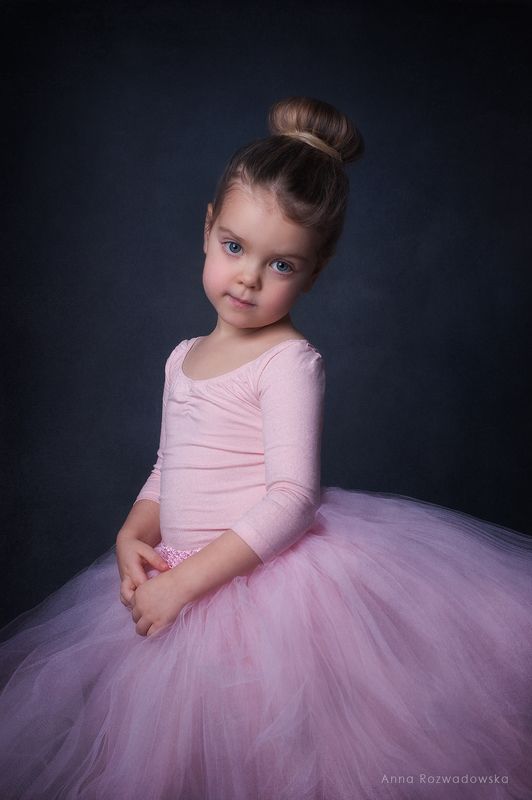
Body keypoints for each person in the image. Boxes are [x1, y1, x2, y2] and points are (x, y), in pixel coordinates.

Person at [0, 96, 531, 800]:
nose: (248, 277)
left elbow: (293, 498)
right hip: (178, 573)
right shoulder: (182, 357)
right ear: (207, 229)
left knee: (276, 757)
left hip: (257, 593)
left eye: (280, 264)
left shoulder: (288, 362)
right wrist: (133, 533)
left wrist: (186, 584)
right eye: (234, 247)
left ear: (315, 270)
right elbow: (169, 466)